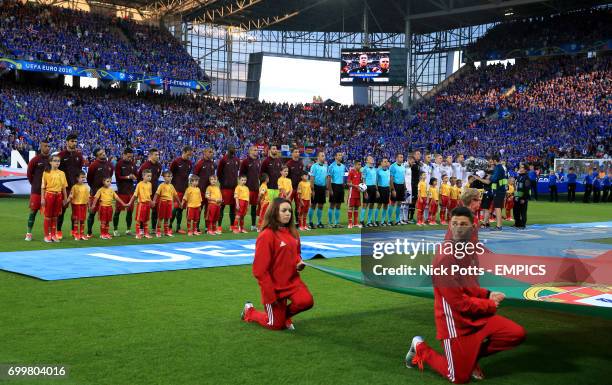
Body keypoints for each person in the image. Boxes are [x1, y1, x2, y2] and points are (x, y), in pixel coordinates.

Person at [405, 206, 526, 383]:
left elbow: (469, 285)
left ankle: (470, 359)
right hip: (455, 323)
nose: (458, 227)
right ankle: (419, 347)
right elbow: (458, 303)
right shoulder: (445, 257)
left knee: (515, 334)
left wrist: (488, 294)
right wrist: (489, 304)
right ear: (449, 226)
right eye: (454, 224)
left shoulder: (466, 248)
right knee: (459, 378)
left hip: (474, 316)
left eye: (463, 224)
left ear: (472, 227)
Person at [241, 197, 313, 331]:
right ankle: (249, 312)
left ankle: (282, 316)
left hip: (292, 283)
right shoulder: (266, 235)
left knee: (306, 301)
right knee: (275, 325)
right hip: (274, 287)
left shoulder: (293, 232)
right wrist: (270, 294)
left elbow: (297, 254)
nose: (288, 214)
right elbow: (259, 271)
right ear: (274, 212)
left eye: (290, 211)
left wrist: (299, 262)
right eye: (284, 210)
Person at [57, 133, 84, 239]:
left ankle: (73, 230)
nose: (74, 143)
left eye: (75, 141)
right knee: (62, 210)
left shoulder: (79, 156)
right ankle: (58, 230)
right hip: (64, 188)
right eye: (72, 141)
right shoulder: (61, 155)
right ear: (67, 142)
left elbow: (80, 171)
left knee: (76, 211)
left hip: (76, 187)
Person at [25, 139, 50, 241]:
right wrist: (35, 184)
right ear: (41, 147)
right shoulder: (35, 160)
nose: (47, 148)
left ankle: (48, 233)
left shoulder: (51, 160)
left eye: (48, 146)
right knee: (33, 212)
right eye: (45, 146)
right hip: (36, 191)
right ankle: (29, 233)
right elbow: (29, 174)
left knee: (48, 214)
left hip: (48, 192)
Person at [86, 148, 114, 239]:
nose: (103, 154)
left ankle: (105, 232)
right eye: (101, 153)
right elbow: (89, 179)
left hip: (106, 195)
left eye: (104, 153)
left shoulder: (110, 165)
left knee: (105, 215)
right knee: (92, 213)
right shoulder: (93, 165)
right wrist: (94, 189)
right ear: (97, 155)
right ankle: (89, 232)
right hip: (95, 193)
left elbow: (110, 176)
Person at [41, 154, 68, 242]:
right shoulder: (46, 172)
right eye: (55, 161)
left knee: (55, 216)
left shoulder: (62, 173)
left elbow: (64, 187)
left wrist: (65, 199)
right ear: (50, 162)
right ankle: (46, 235)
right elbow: (43, 187)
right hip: (49, 195)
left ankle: (53, 235)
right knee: (48, 216)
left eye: (58, 161)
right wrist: (42, 198)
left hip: (59, 195)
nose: (57, 163)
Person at [137, 148, 163, 231]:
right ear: (150, 155)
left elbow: (157, 177)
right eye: (156, 155)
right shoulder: (145, 166)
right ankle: (141, 229)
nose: (158, 156)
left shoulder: (159, 166)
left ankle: (153, 229)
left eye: (158, 154)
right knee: (144, 211)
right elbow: (139, 178)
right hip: (145, 193)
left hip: (155, 191)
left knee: (155, 210)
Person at [113, 148, 137, 237]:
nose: (130, 158)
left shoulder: (133, 164)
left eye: (131, 156)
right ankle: (115, 230)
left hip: (130, 192)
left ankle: (128, 229)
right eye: (128, 156)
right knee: (118, 211)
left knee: (130, 211)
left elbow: (136, 175)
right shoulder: (119, 164)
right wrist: (128, 177)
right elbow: (118, 177)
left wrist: (134, 176)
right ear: (124, 154)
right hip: (122, 191)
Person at [169, 145, 193, 234]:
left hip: (184, 189)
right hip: (176, 189)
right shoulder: (176, 162)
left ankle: (178, 227)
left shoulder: (190, 163)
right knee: (175, 208)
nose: (189, 156)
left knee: (181, 209)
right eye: (188, 154)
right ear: (183, 152)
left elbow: (187, 175)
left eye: (190, 155)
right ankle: (169, 226)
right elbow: (170, 174)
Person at [217, 146, 240, 233]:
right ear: (228, 150)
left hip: (234, 188)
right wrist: (223, 182)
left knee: (233, 208)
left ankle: (232, 225)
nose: (233, 150)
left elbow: (237, 171)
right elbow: (219, 173)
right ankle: (219, 226)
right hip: (224, 188)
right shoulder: (223, 160)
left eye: (234, 149)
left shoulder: (237, 160)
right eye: (231, 149)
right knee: (221, 207)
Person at [194, 147, 216, 232]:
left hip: (210, 191)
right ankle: (197, 227)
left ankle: (207, 227)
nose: (212, 154)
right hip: (201, 191)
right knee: (199, 209)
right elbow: (195, 176)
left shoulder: (213, 164)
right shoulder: (200, 163)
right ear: (205, 152)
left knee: (208, 210)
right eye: (210, 152)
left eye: (212, 152)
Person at [152, 171, 181, 237]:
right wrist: (153, 201)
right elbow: (156, 194)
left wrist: (180, 203)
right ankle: (158, 231)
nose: (170, 178)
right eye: (168, 176)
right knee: (160, 217)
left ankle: (166, 232)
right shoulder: (161, 185)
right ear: (164, 177)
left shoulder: (171, 186)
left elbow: (176, 195)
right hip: (163, 202)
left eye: (171, 176)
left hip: (170, 203)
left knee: (167, 218)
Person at [240, 146, 261, 231]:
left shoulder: (258, 161)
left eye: (257, 150)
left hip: (256, 188)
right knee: (244, 208)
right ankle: (240, 226)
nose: (256, 151)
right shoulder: (245, 162)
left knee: (254, 208)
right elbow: (241, 174)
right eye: (255, 150)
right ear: (250, 151)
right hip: (247, 189)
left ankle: (253, 225)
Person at [127, 169, 153, 239]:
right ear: (143, 176)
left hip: (147, 204)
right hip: (141, 204)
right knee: (139, 220)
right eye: (148, 176)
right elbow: (135, 195)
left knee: (146, 220)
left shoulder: (150, 184)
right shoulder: (139, 184)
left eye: (150, 176)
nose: (149, 177)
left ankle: (146, 233)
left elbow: (149, 195)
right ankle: (138, 233)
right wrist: (130, 202)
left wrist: (151, 202)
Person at [66, 171, 89, 241]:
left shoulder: (86, 187)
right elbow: (71, 196)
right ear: (77, 178)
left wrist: (89, 205)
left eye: (84, 177)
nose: (83, 179)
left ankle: (82, 234)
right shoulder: (74, 187)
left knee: (82, 220)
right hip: (76, 205)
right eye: (81, 177)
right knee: (76, 220)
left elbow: (87, 197)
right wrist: (66, 202)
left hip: (83, 205)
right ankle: (76, 234)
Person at [308, 152, 328, 229]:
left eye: (324, 155)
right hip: (315, 187)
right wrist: (312, 190)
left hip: (322, 188)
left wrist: (326, 189)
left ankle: (319, 222)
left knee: (321, 205)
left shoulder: (326, 166)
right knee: (313, 205)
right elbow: (312, 178)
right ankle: (310, 222)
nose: (324, 157)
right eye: (322, 156)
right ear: (318, 157)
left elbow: (326, 178)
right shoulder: (314, 166)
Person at [327, 152, 346, 228]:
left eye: (341, 155)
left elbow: (342, 177)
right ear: (335, 157)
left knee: (339, 205)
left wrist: (343, 186)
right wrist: (330, 189)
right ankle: (330, 223)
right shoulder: (331, 166)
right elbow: (329, 178)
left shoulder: (343, 166)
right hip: (334, 186)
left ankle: (337, 223)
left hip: (341, 186)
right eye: (339, 155)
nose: (340, 156)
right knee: (332, 205)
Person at [489, 155, 508, 230]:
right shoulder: (501, 167)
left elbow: (494, 178)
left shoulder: (498, 167)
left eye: (491, 161)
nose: (491, 163)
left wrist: (490, 177)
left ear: (494, 161)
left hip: (498, 190)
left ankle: (499, 225)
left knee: (497, 208)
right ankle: (499, 225)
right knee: (498, 207)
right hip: (501, 189)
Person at [286, 148, 304, 220]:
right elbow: (286, 177)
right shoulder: (288, 163)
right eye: (296, 152)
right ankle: (289, 221)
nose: (297, 153)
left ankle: (297, 221)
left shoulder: (301, 163)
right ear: (292, 153)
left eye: (298, 152)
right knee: (288, 206)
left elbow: (301, 176)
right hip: (290, 189)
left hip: (298, 189)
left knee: (298, 206)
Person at [389, 153, 407, 225]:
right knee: (393, 203)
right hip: (395, 186)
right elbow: (391, 179)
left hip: (401, 186)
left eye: (402, 157)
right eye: (400, 157)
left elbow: (403, 177)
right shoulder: (393, 166)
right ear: (396, 158)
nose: (402, 158)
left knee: (399, 203)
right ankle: (390, 220)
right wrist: (392, 189)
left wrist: (405, 187)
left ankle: (397, 220)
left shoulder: (403, 167)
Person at [362, 155, 378, 227]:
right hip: (367, 188)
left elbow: (375, 181)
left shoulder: (374, 169)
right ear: (367, 161)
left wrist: (377, 190)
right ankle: (361, 220)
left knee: (371, 205)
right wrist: (365, 191)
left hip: (373, 188)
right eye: (370, 159)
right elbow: (363, 180)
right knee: (365, 205)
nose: (372, 159)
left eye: (372, 158)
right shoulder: (365, 169)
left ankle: (369, 221)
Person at [513, 164, 530, 229]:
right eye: (520, 167)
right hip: (516, 197)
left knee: (522, 211)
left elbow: (527, 188)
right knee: (516, 211)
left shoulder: (526, 177)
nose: (520, 168)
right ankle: (517, 223)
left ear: (525, 169)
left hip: (522, 197)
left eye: (522, 167)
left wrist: (524, 198)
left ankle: (523, 224)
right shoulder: (518, 176)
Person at [347, 160, 363, 229]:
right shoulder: (351, 172)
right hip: (352, 193)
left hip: (358, 193)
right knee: (350, 207)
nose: (360, 166)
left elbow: (360, 183)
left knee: (356, 208)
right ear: (355, 165)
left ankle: (355, 223)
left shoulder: (360, 173)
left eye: (360, 165)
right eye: (359, 164)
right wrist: (355, 186)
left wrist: (361, 187)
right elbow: (348, 183)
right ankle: (350, 223)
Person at [375, 158, 391, 226]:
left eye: (387, 161)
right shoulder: (378, 170)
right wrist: (377, 190)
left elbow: (389, 181)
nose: (386, 163)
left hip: (387, 189)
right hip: (380, 188)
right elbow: (375, 181)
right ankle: (375, 221)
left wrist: (390, 190)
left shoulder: (388, 170)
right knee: (379, 205)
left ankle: (383, 221)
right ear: (381, 163)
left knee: (385, 205)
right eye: (384, 162)